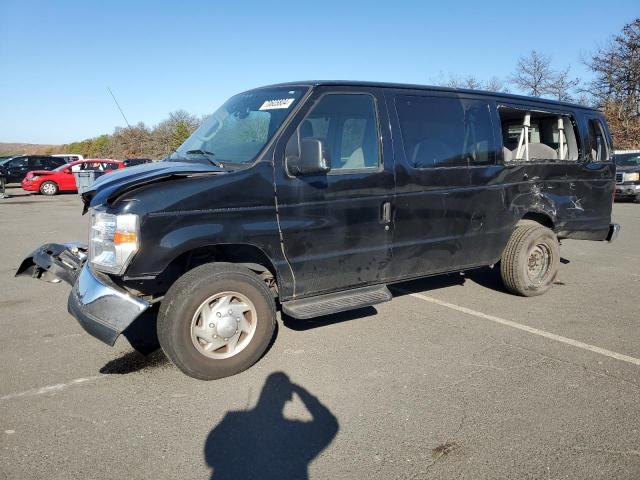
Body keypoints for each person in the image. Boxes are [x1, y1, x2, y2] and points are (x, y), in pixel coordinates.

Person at [205, 372, 338, 480]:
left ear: (262, 392)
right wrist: (300, 390)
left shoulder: (233, 419)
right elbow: (330, 424)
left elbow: (210, 455)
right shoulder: (294, 431)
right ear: (288, 398)